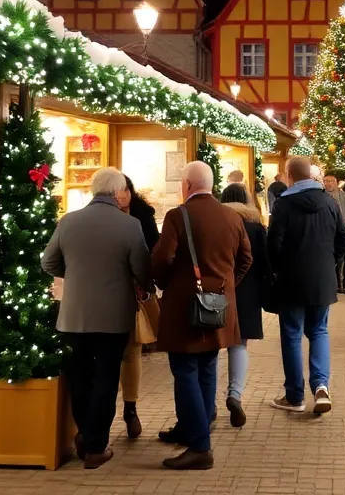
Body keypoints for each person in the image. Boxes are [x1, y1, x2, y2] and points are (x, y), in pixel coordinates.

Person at [40, 167, 150, 469]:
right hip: (113, 316)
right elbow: (142, 270)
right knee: (106, 377)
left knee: (80, 375)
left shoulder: (69, 221)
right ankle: (96, 445)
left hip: (74, 314)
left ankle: (85, 435)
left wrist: (74, 274)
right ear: (117, 192)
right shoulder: (129, 226)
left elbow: (48, 261)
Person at [150, 161, 253, 470]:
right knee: (207, 366)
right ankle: (192, 427)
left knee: (184, 370)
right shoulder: (232, 216)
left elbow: (161, 258)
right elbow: (246, 258)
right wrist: (225, 288)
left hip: (185, 308)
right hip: (219, 306)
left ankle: (199, 446)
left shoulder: (177, 216)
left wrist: (169, 284)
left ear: (187, 184)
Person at [266, 156, 345, 414]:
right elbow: (344, 237)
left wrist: (279, 269)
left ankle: (295, 395)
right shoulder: (329, 201)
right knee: (319, 331)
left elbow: (273, 244)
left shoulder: (284, 204)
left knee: (292, 335)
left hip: (292, 280)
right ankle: (321, 386)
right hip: (322, 280)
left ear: (289, 175)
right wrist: (330, 262)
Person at [218, 182, 271, 427]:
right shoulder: (254, 225)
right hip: (247, 293)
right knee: (239, 344)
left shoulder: (216, 223)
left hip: (216, 292)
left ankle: (208, 404)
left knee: (210, 344)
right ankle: (235, 394)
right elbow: (264, 262)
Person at [113, 175, 160, 438]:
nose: (121, 196)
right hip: (106, 291)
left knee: (132, 350)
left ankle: (130, 409)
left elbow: (153, 249)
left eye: (125, 190)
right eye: (116, 191)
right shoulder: (100, 217)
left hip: (135, 293)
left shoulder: (143, 215)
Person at [323, 174, 345, 294]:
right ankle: (337, 283)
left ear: (336, 182)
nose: (328, 184)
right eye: (326, 181)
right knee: (336, 259)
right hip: (329, 234)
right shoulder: (321, 197)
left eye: (331, 181)